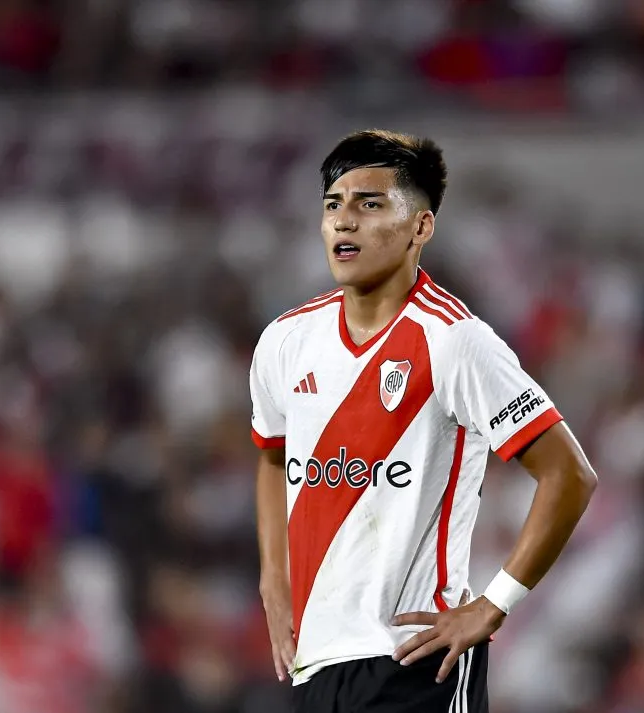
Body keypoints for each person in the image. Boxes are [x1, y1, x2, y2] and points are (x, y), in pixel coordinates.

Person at [249, 130, 598, 712]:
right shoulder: (285, 341)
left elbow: (569, 474)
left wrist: (493, 605)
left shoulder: (455, 342)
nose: (344, 221)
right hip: (317, 663)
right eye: (333, 205)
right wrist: (273, 579)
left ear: (421, 227)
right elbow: (270, 453)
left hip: (415, 660)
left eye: (370, 204)